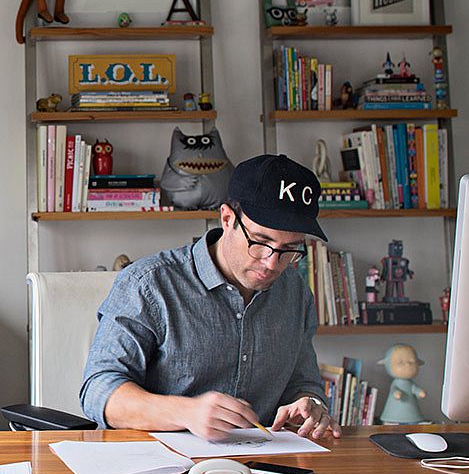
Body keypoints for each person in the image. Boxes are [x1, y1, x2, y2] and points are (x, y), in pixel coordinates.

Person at [80, 154, 341, 441]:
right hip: (157, 466)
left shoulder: (295, 291)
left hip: (262, 466)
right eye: (260, 242)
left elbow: (302, 383)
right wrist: (185, 412)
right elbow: (98, 391)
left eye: (289, 249)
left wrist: (309, 404)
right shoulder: (149, 284)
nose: (271, 263)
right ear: (227, 218)